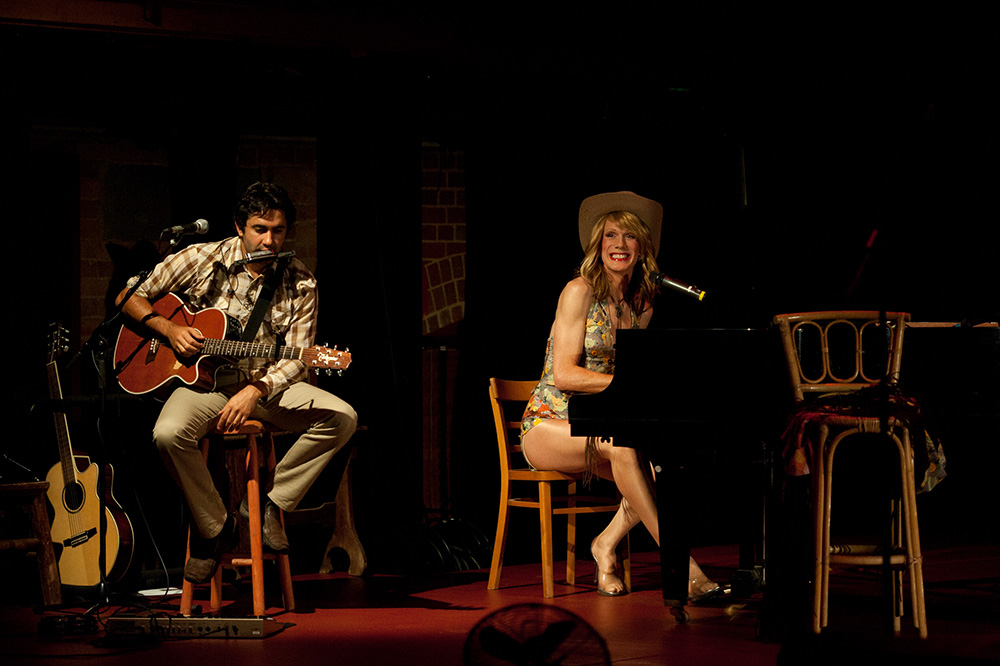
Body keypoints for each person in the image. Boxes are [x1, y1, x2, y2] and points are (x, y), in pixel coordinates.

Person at [116, 181, 358, 584]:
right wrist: (168, 329)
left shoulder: (300, 282)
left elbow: (298, 358)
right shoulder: (200, 257)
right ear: (239, 226)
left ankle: (269, 503)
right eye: (260, 228)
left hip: (263, 386)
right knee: (168, 433)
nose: (269, 239)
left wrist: (256, 389)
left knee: (342, 417)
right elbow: (129, 296)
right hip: (204, 386)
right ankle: (215, 526)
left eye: (278, 230)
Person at [519, 190, 720, 600]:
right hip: (548, 425)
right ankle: (685, 569)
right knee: (626, 453)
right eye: (611, 235)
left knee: (665, 465)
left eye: (629, 237)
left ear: (642, 247)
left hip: (602, 425)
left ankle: (604, 546)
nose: (620, 245)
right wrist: (630, 387)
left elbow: (634, 372)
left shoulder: (641, 304)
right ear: (598, 245)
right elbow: (565, 373)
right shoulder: (579, 291)